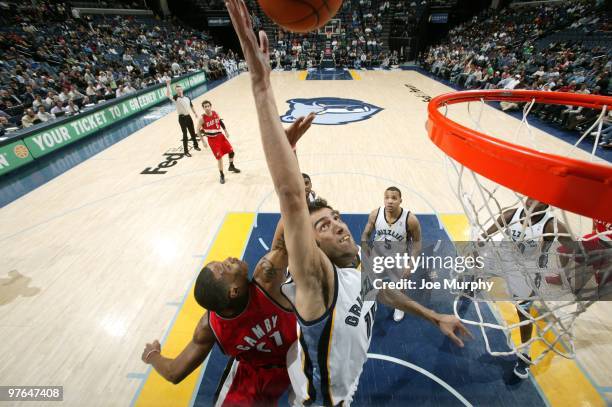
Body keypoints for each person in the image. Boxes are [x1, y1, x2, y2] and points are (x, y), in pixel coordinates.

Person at [226, 2, 472, 405]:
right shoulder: (316, 280)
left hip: (345, 388)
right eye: (322, 227)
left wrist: (434, 316)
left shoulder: (354, 262)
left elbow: (379, 292)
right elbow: (290, 197)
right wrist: (260, 85)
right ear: (310, 246)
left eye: (336, 218)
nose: (339, 225)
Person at [142, 115, 315, 407]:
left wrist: (152, 356)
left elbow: (172, 372)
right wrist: (289, 148)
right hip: (266, 376)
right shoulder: (266, 278)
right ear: (233, 291)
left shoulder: (209, 326)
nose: (230, 259)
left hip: (290, 365)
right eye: (225, 268)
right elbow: (292, 210)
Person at [482, 197, 571, 379]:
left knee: (523, 311)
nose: (531, 201)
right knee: (475, 267)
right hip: (501, 258)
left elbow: (570, 246)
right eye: (530, 197)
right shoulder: (511, 214)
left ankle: (525, 355)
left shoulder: (551, 225)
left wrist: (562, 270)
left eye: (537, 200)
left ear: (547, 204)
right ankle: (470, 282)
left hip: (526, 271)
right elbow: (485, 236)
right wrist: (478, 244)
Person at [361, 186, 422, 322]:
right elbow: (366, 234)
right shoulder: (375, 214)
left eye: (394, 198)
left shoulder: (410, 220)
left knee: (400, 287)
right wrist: (366, 249)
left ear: (401, 200)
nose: (390, 201)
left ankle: (399, 306)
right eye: (387, 198)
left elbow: (417, 243)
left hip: (398, 258)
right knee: (369, 282)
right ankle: (368, 303)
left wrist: (411, 265)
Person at [197, 100, 240, 184]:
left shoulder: (215, 113)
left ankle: (231, 166)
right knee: (219, 158)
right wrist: (203, 141)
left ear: (210, 106)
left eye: (208, 106)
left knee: (231, 152)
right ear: (203, 108)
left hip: (221, 137)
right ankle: (222, 175)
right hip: (212, 140)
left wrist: (226, 131)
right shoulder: (202, 118)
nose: (207, 108)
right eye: (205, 107)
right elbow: (197, 131)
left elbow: (220, 122)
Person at [165, 79, 200, 157]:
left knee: (192, 132)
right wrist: (168, 84)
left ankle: (196, 145)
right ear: (176, 91)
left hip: (189, 117)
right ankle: (186, 151)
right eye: (177, 90)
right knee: (185, 135)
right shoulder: (175, 98)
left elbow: (191, 105)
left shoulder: (187, 98)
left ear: (182, 89)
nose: (179, 90)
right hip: (182, 118)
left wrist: (195, 113)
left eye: (180, 89)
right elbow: (168, 94)